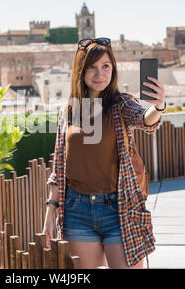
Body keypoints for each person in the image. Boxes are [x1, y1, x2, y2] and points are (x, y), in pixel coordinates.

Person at [42, 38, 166, 269]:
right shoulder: (69, 110)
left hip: (118, 209)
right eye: (92, 66)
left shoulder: (121, 104)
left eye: (106, 66)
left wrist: (157, 107)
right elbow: (59, 165)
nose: (100, 73)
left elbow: (144, 119)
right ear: (81, 70)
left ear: (113, 69)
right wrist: (51, 211)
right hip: (76, 211)